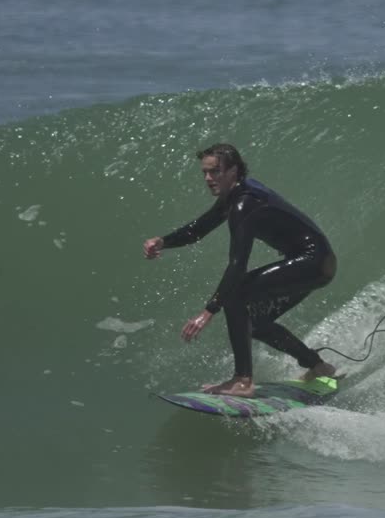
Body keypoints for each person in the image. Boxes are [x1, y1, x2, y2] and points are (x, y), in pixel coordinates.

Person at [143, 143, 338, 397]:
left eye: (215, 172)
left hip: (312, 261)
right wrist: (164, 241)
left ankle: (242, 380)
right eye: (205, 173)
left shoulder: (244, 204)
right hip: (317, 263)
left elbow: (237, 265)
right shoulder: (235, 195)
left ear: (233, 171)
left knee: (236, 295)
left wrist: (208, 310)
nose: (208, 178)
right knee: (255, 323)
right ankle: (319, 366)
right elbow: (198, 229)